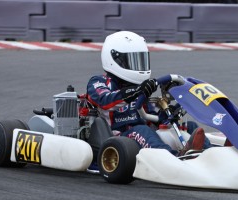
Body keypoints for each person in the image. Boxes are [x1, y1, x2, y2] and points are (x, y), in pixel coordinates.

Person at [86, 31, 206, 165]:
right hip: (116, 137)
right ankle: (175, 160)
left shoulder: (141, 87)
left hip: (142, 136)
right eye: (132, 61)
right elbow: (105, 100)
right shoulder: (99, 82)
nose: (138, 66)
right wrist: (135, 92)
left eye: (140, 60)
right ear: (114, 59)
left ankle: (213, 155)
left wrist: (166, 115)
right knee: (142, 130)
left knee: (189, 126)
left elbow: (150, 117)